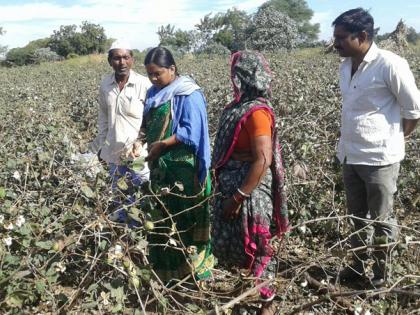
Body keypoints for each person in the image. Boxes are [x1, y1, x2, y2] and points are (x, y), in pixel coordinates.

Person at [332, 8, 420, 287]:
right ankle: (358, 268)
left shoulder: (391, 64)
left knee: (382, 220)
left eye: (341, 38)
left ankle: (383, 275)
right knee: (356, 217)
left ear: (363, 36)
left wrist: (394, 139)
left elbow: (414, 110)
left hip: (380, 159)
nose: (335, 43)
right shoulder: (345, 66)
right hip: (350, 154)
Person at [211, 51, 289, 315]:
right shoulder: (238, 107)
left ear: (241, 76)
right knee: (239, 248)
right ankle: (244, 294)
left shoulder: (256, 113)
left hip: (250, 191)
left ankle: (265, 304)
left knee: (258, 243)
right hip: (235, 185)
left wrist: (238, 196)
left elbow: (262, 159)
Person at [142, 47, 214, 282]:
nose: (153, 79)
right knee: (163, 221)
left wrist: (163, 145)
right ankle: (169, 272)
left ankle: (194, 273)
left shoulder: (187, 93)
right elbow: (149, 125)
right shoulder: (154, 92)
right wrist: (140, 141)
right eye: (150, 74)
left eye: (158, 73)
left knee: (185, 219)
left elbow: (191, 132)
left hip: (184, 170)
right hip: (160, 169)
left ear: (172, 69)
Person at [90, 39, 151, 224]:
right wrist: (102, 146)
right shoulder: (105, 85)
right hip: (113, 152)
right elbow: (103, 117)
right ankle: (122, 234)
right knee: (118, 196)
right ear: (110, 61)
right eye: (117, 58)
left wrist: (140, 141)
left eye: (126, 57)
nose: (122, 62)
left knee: (140, 194)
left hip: (138, 154)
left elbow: (151, 119)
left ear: (132, 60)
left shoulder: (144, 84)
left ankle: (137, 233)